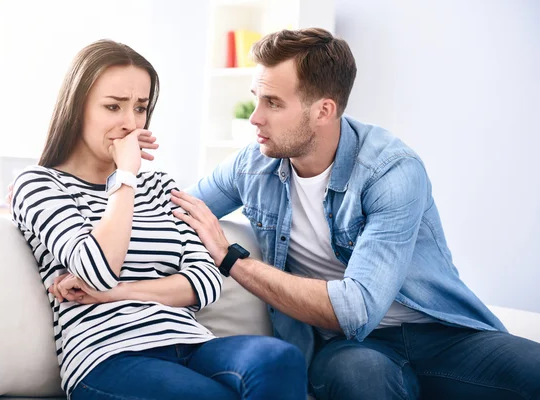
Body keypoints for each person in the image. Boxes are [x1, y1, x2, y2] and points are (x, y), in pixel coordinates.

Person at [168, 28, 540, 399]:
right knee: (363, 377)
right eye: (256, 99)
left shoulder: (391, 170)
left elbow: (356, 307)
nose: (255, 118)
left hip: (440, 334)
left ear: (323, 110)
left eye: (273, 103)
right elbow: (170, 211)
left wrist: (232, 259)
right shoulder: (251, 167)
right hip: (352, 347)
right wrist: (122, 176)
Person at [10, 39, 307, 400]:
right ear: (77, 108)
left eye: (140, 108)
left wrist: (119, 293)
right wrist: (126, 176)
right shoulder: (40, 184)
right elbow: (97, 268)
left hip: (190, 342)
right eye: (112, 106)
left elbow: (205, 282)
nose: (129, 123)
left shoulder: (158, 185)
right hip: (107, 358)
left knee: (280, 359)